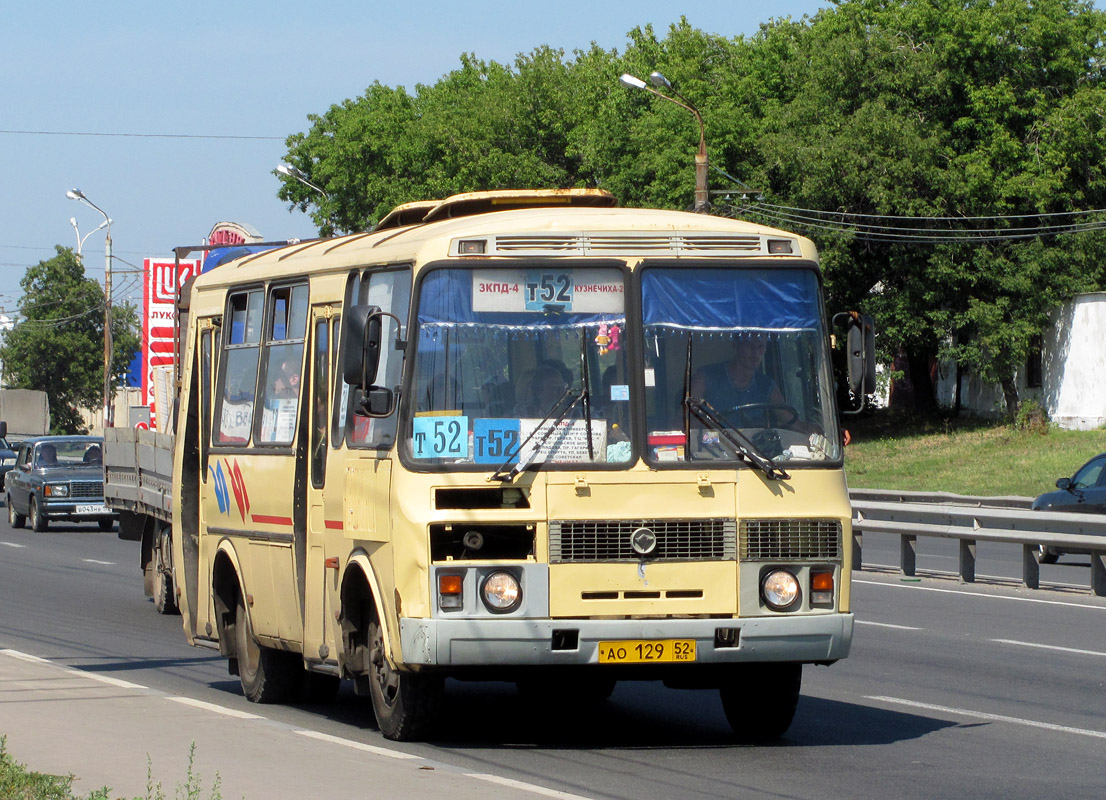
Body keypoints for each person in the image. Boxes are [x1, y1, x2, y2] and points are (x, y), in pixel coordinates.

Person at [690, 336, 786, 425]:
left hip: (751, 443)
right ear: (735, 345)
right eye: (749, 346)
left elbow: (790, 420)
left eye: (760, 346)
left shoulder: (766, 386)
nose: (756, 352)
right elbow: (684, 419)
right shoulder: (705, 377)